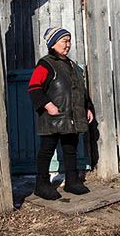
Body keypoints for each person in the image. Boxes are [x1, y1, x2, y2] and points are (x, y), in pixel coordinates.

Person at [28, 27, 94, 200]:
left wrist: (87, 108)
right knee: (47, 150)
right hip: (53, 117)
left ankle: (72, 182)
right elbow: (34, 87)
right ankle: (41, 185)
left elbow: (81, 91)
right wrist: (47, 105)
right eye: (64, 41)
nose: (68, 45)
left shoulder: (74, 66)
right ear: (53, 44)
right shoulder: (46, 64)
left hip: (71, 118)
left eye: (69, 40)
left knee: (70, 148)